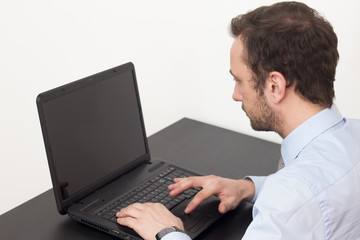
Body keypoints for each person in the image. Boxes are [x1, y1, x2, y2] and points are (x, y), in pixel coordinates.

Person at [116, 2, 360, 239]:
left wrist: (166, 230)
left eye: (239, 80)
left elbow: (300, 199)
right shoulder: (354, 135)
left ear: (274, 86)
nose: (236, 95)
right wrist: (249, 188)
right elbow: (320, 193)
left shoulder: (288, 200)